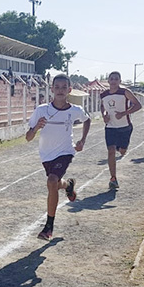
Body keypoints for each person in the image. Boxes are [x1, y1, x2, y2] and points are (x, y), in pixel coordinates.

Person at [26, 74, 91, 240]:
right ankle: (68, 185)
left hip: (66, 152)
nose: (60, 90)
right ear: (52, 89)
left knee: (51, 181)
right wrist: (36, 128)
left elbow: (87, 120)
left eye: (64, 87)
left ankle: (48, 226)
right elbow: (28, 137)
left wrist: (82, 140)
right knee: (55, 182)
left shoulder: (75, 110)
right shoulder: (42, 110)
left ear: (69, 90)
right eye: (57, 87)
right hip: (46, 154)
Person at [100, 71, 142, 189]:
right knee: (111, 151)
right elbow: (103, 106)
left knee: (122, 151)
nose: (113, 81)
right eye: (111, 79)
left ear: (120, 81)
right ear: (108, 81)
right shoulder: (103, 95)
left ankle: (120, 147)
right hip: (110, 127)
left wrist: (124, 113)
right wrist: (104, 115)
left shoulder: (125, 92)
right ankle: (113, 178)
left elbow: (138, 105)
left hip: (125, 127)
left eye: (116, 79)